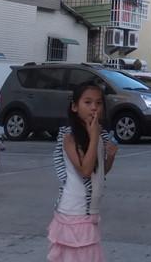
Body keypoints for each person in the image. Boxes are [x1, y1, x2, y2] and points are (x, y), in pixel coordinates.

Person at [48, 83, 118, 262]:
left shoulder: (99, 135)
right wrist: (94, 137)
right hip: (74, 211)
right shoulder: (70, 136)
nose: (94, 108)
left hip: (89, 211)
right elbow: (85, 171)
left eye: (99, 103)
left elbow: (99, 172)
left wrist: (110, 157)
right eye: (87, 102)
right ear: (74, 106)